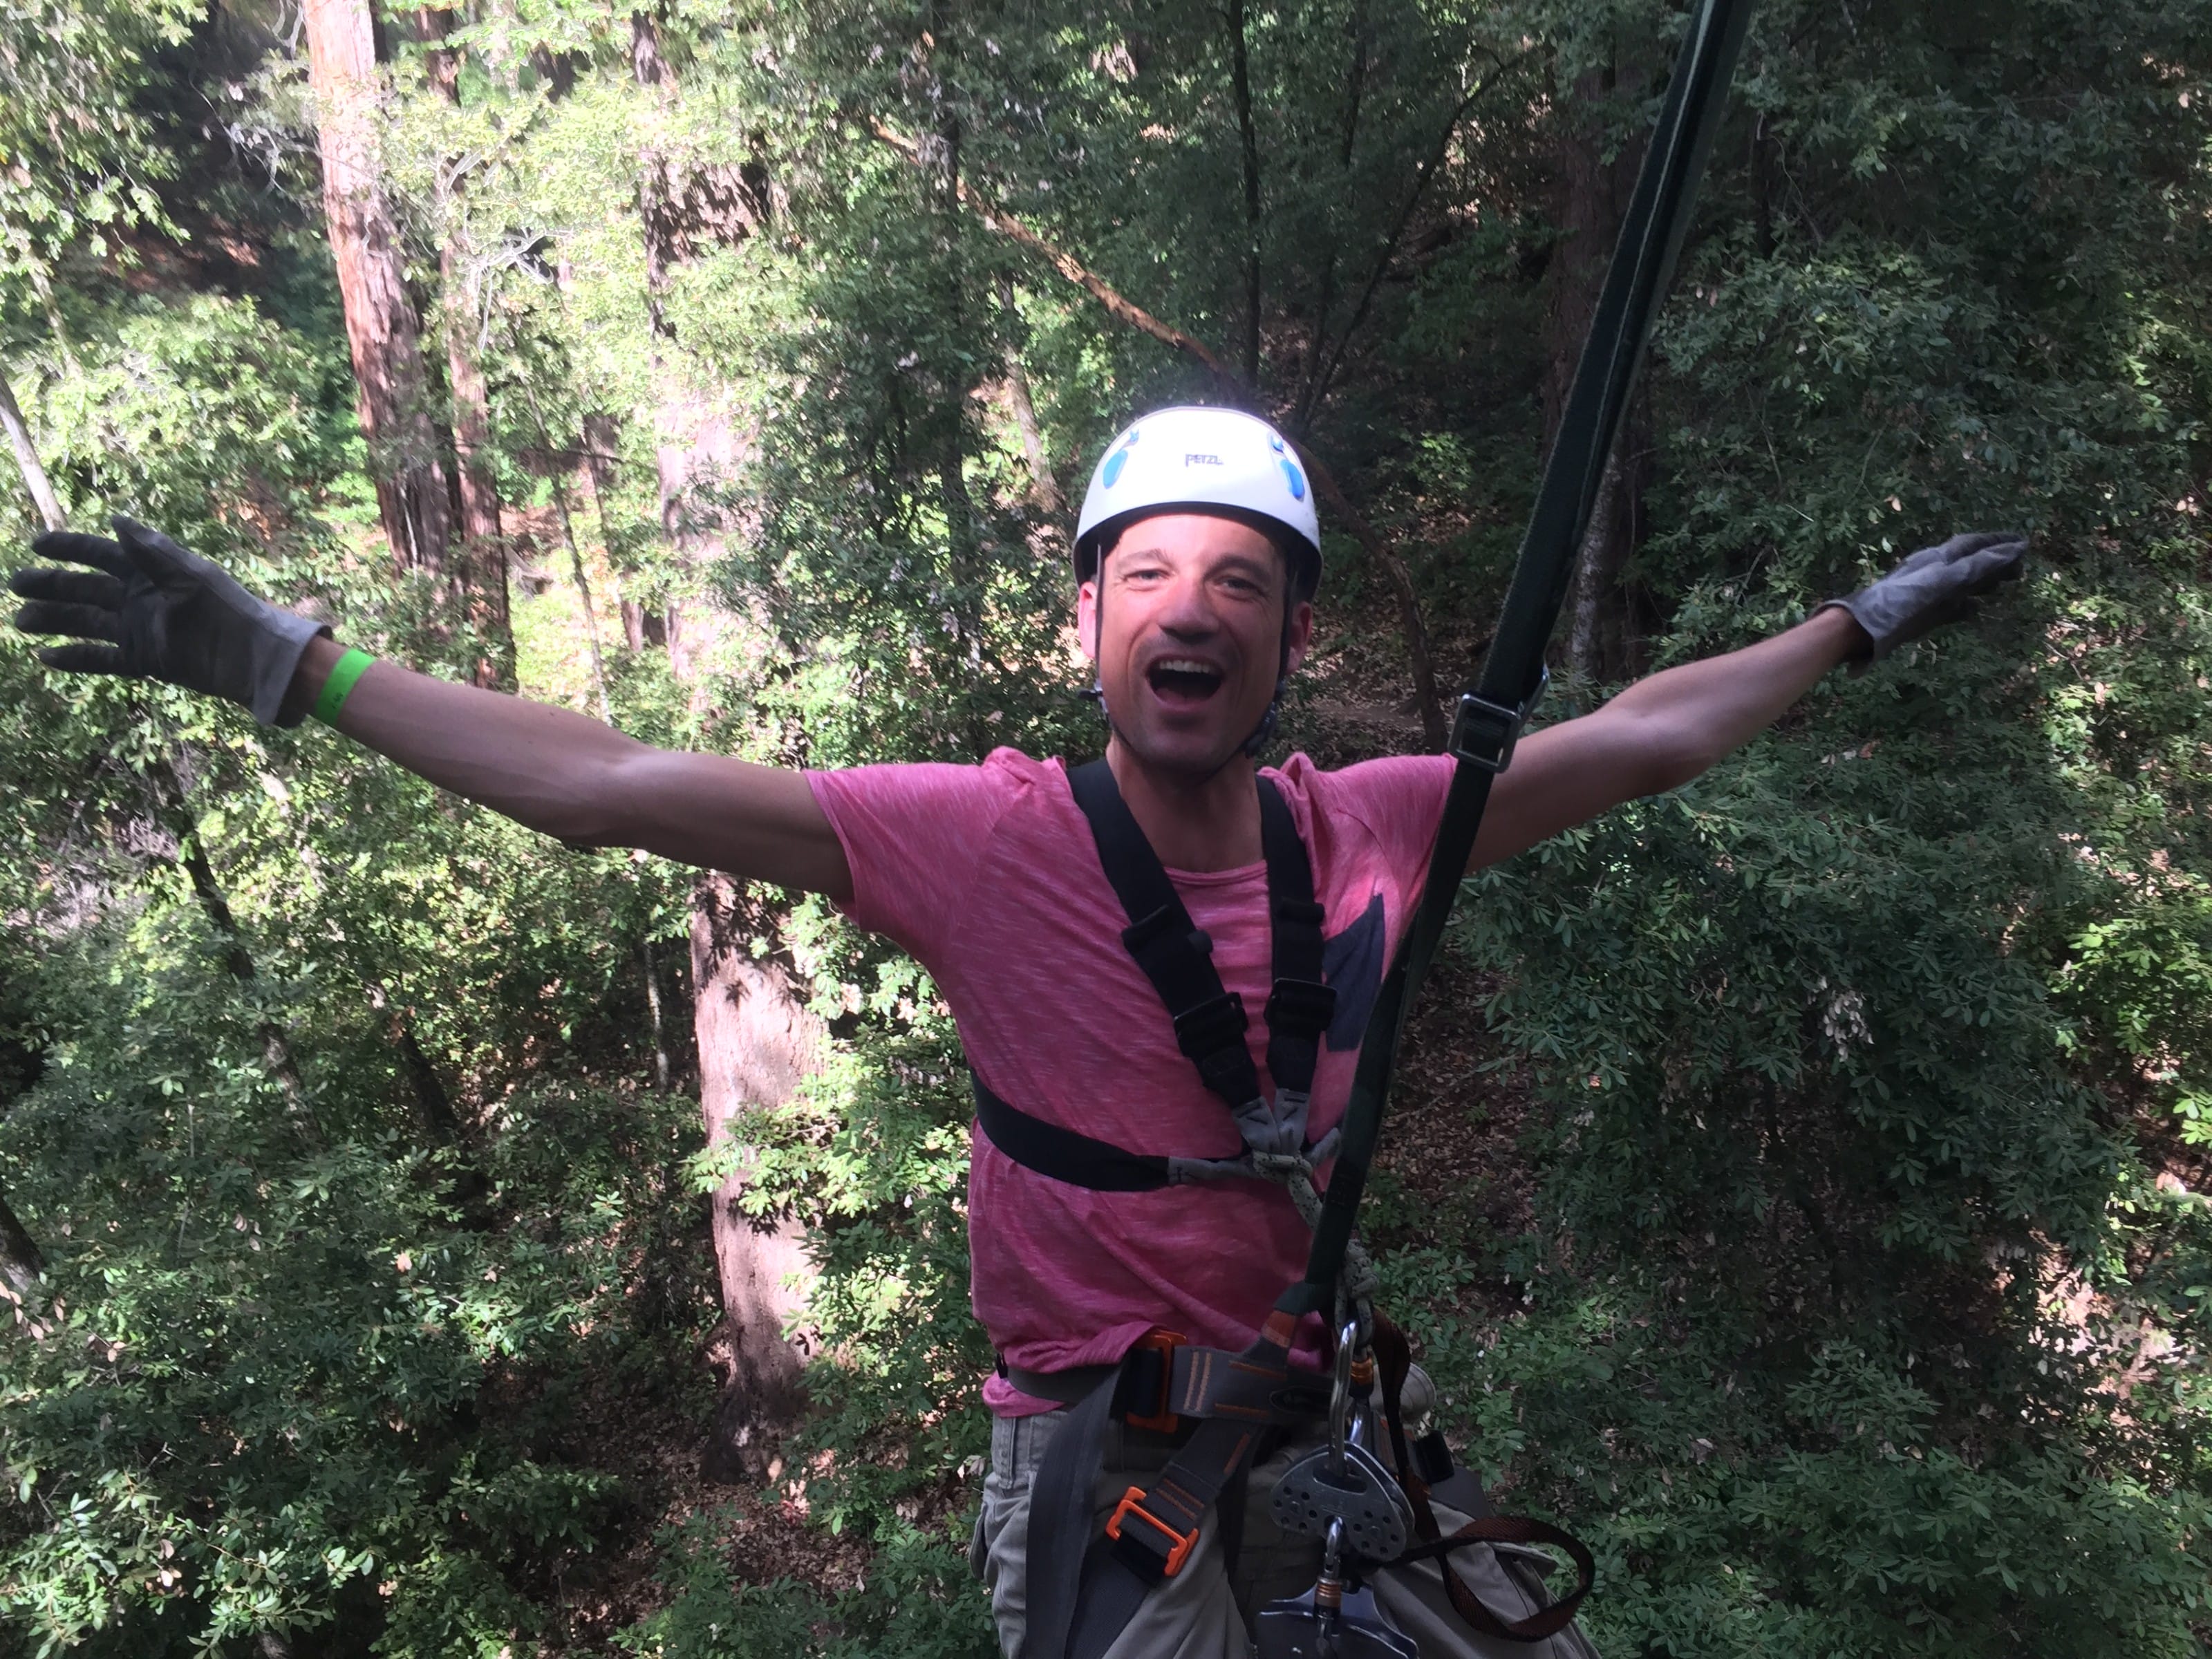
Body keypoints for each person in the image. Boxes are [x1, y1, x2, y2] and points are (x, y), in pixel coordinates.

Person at [8, 404, 2024, 1658]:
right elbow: (613, 782)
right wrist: (295, 666)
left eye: (1240, 582)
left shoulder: (1380, 827)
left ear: (1286, 641)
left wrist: (1852, 622)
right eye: (1147, 574)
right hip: (1106, 1445)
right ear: (1089, 628)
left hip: (1312, 1405)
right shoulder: (980, 844)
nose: (1190, 607)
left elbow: (1646, 733)